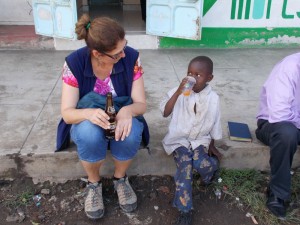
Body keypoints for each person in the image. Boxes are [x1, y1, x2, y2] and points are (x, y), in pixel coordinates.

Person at [56, 14, 149, 220]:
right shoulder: (74, 63)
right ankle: (93, 183)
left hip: (121, 112)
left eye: (124, 47)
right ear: (97, 53)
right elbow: (67, 113)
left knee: (130, 131)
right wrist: (88, 113)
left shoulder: (131, 57)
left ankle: (120, 179)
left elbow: (141, 104)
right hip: (88, 116)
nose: (123, 55)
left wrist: (127, 111)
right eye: (117, 54)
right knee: (89, 133)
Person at [160, 56, 222, 225]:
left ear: (209, 78)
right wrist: (178, 93)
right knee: (185, 166)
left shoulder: (213, 98)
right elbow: (165, 112)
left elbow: (215, 121)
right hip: (179, 141)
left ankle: (212, 171)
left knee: (202, 163)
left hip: (200, 140)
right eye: (189, 73)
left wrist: (212, 144)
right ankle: (184, 209)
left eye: (198, 75)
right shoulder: (178, 92)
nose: (193, 78)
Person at [255, 53, 300, 219]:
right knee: (287, 134)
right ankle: (277, 194)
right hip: (273, 124)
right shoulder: (289, 68)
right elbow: (280, 114)